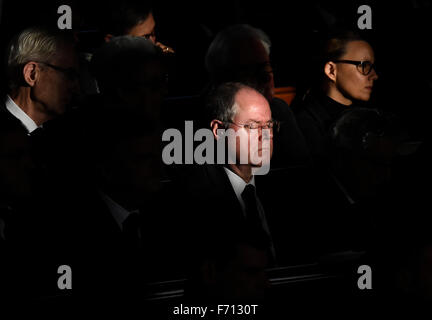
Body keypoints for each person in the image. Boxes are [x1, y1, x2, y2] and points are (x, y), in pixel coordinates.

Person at [205, 24, 310, 167]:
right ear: (223, 78)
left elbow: (301, 168)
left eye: (266, 67)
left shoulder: (279, 110)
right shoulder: (196, 122)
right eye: (250, 70)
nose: (266, 77)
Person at [294, 31, 379, 164]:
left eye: (372, 66)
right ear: (331, 71)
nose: (374, 75)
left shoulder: (370, 116)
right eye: (364, 66)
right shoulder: (305, 125)